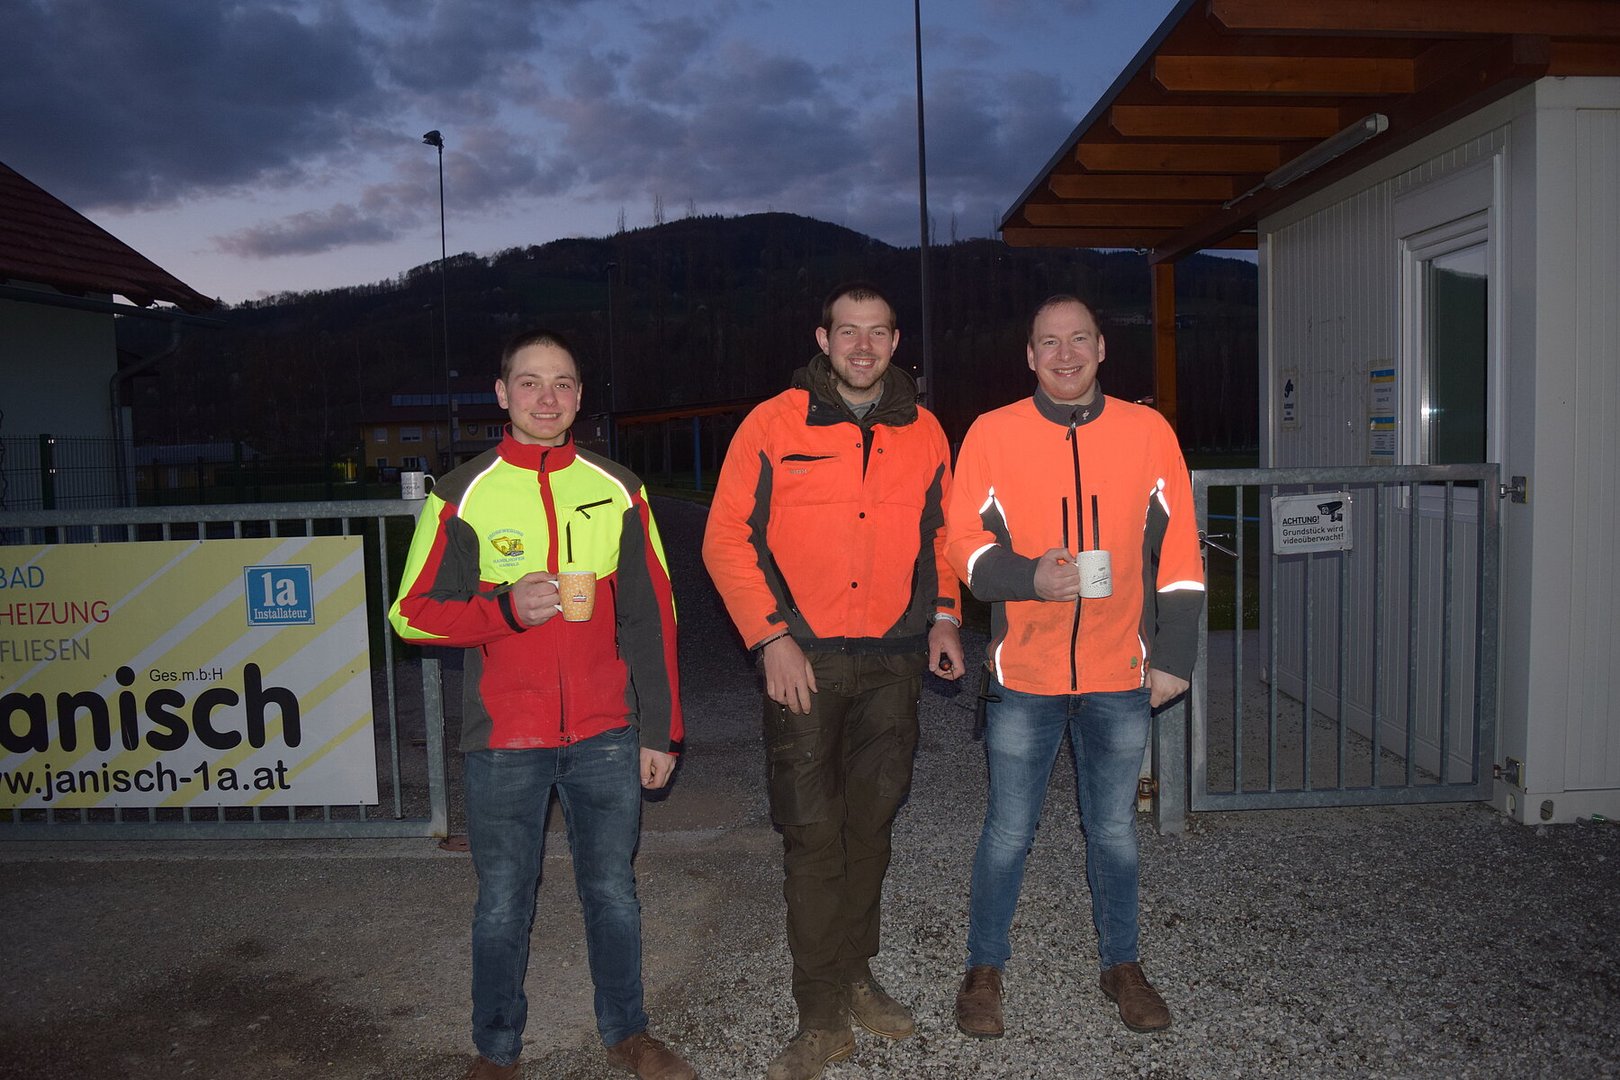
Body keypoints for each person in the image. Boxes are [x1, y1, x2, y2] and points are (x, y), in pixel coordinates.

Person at [389, 329, 696, 1080]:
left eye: (562, 383)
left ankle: (628, 1033)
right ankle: (496, 1050)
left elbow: (653, 617)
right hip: (505, 739)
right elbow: (409, 614)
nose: (546, 397)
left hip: (606, 734)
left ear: (580, 397)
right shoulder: (462, 492)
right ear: (502, 394)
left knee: (613, 893)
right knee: (501, 901)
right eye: (530, 382)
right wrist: (503, 609)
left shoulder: (619, 487)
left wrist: (661, 730)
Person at [703, 282, 965, 1080]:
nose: (862, 346)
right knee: (813, 831)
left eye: (877, 332)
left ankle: (855, 975)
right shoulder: (772, 424)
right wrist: (770, 638)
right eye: (847, 332)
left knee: (871, 824)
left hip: (893, 662)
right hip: (805, 661)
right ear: (823, 339)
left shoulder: (925, 431)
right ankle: (818, 1012)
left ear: (895, 342)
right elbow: (725, 540)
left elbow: (942, 537)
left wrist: (945, 617)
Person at [944, 295, 1204, 1038]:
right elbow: (962, 544)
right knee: (1008, 831)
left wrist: (1174, 658)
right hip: (1025, 675)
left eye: (1079, 339)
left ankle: (1122, 965)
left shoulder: (1147, 432)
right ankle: (984, 969)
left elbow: (1180, 553)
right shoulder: (992, 433)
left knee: (1114, 831)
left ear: (1101, 348)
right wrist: (1028, 576)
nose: (1065, 355)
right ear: (1030, 355)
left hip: (1119, 673)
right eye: (1050, 343)